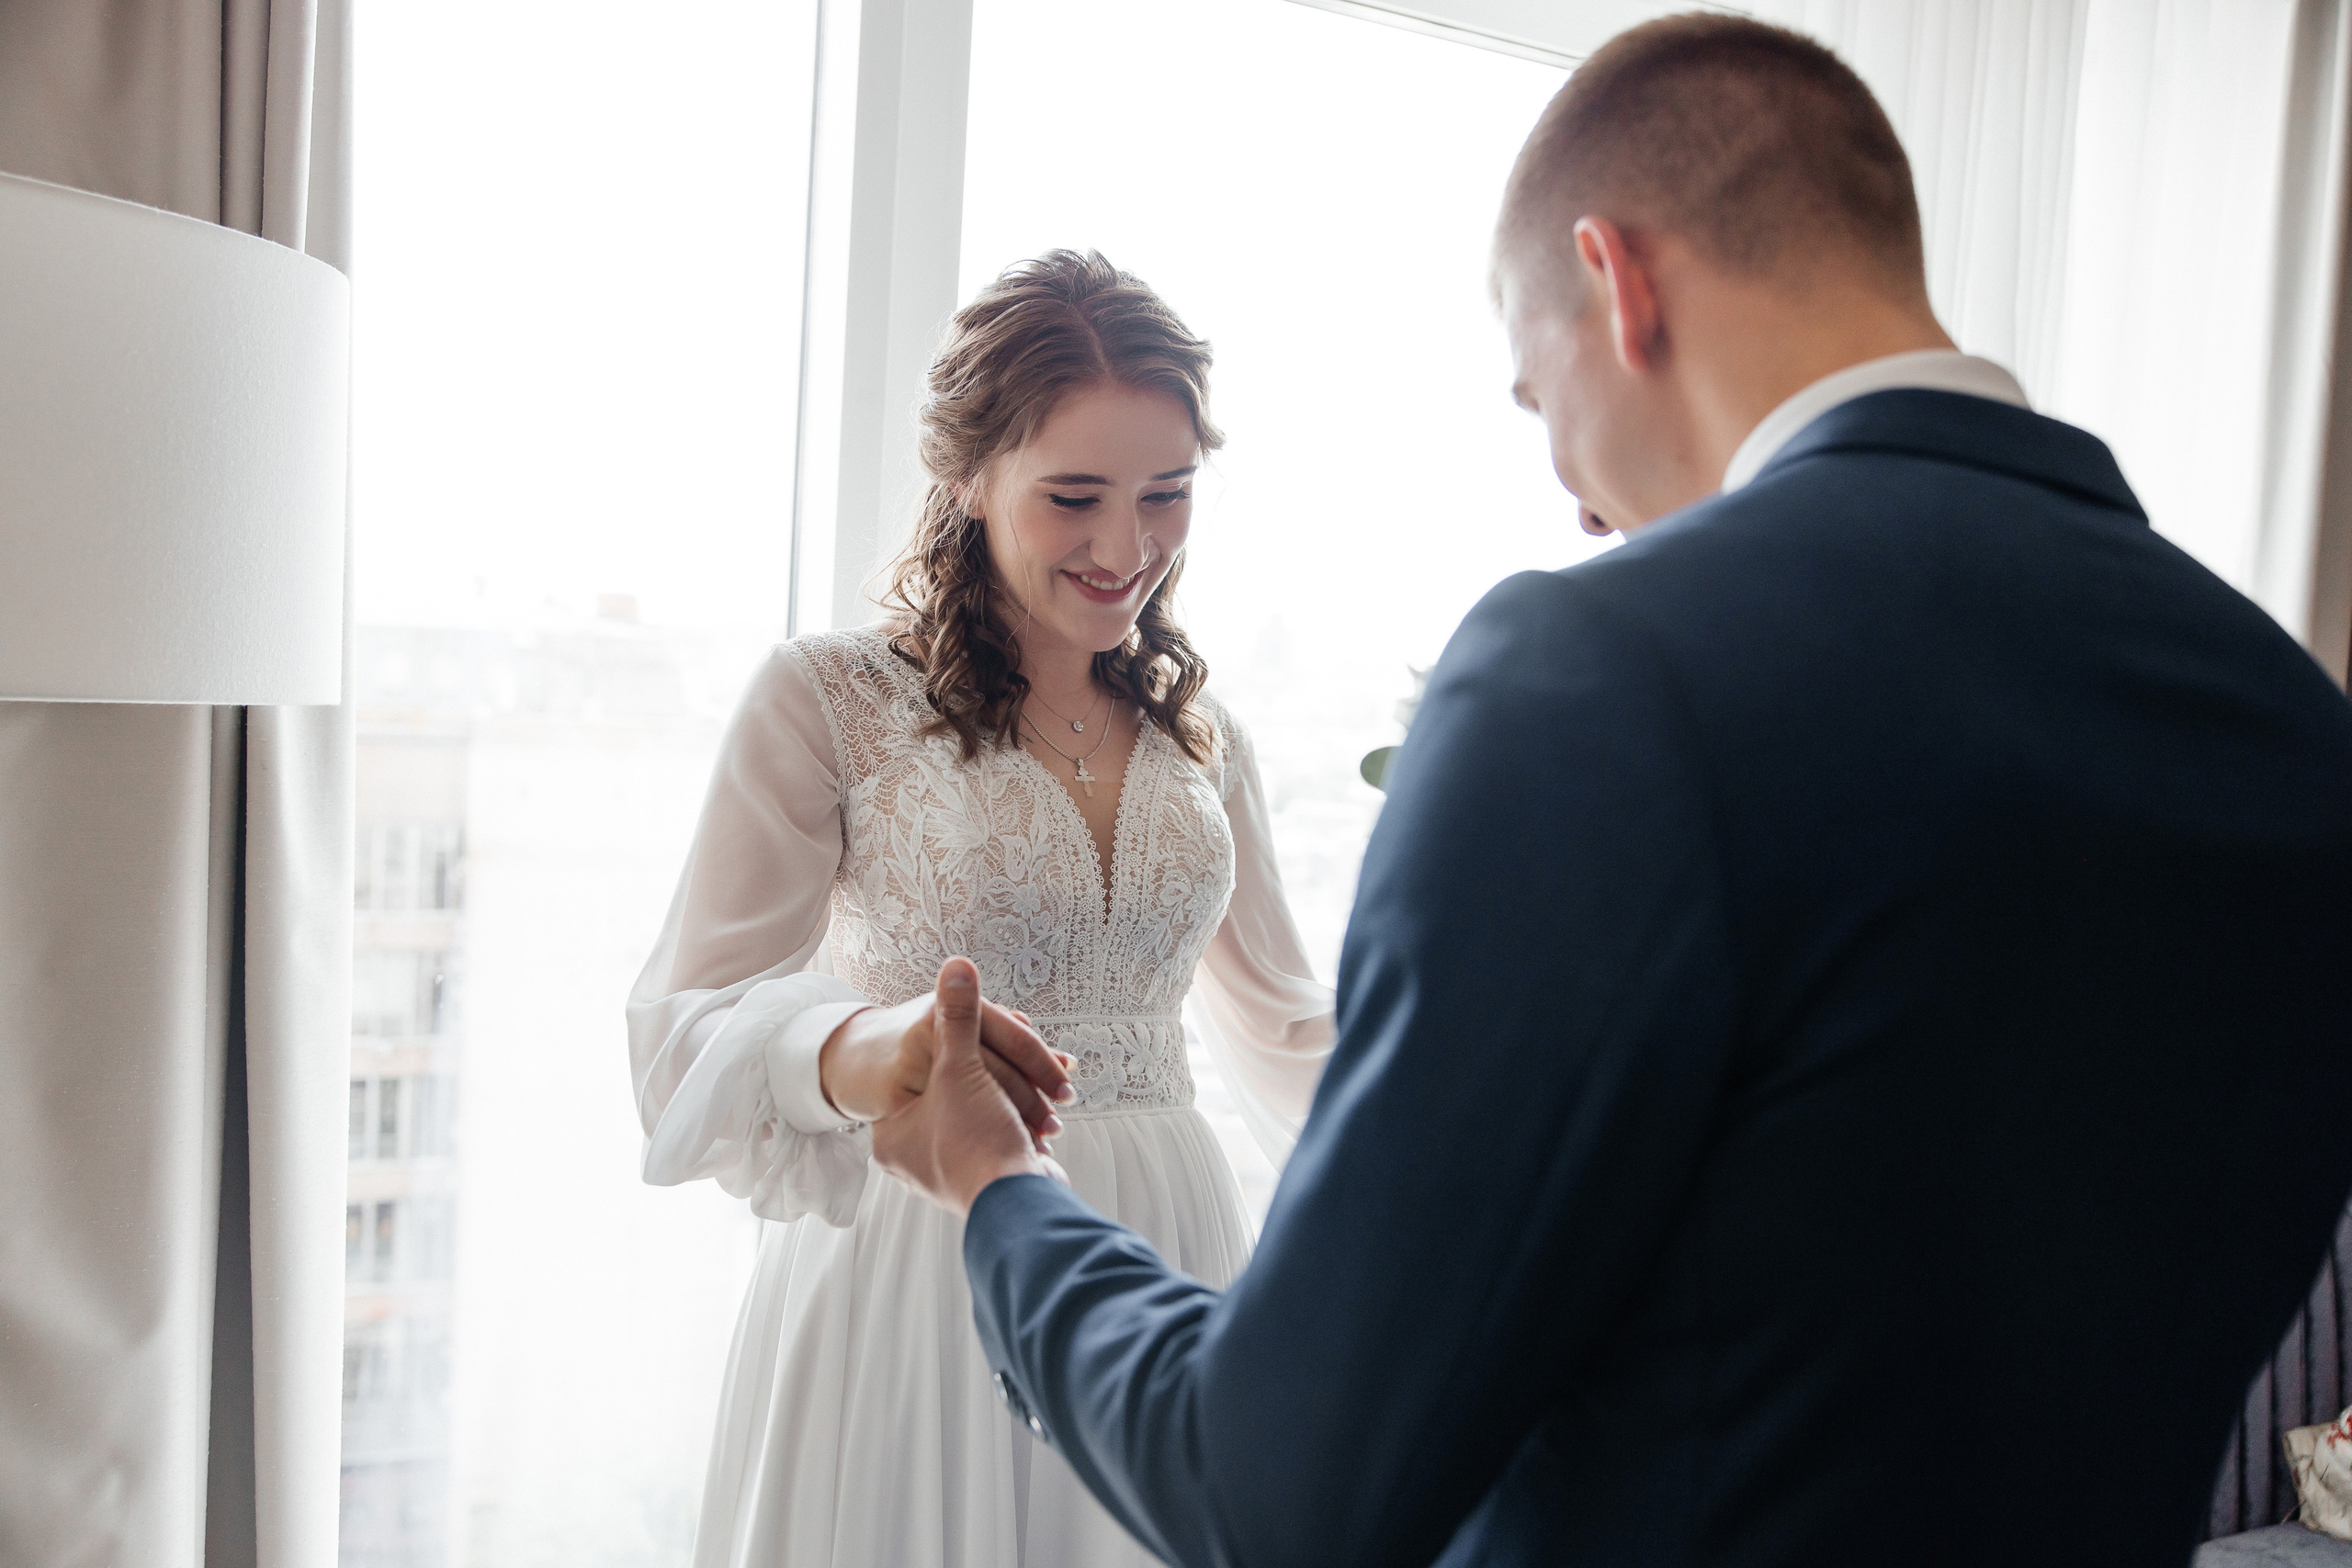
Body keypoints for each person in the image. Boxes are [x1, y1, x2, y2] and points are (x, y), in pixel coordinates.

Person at [871, 17, 2352, 1568]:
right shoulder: (2291, 730)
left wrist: (1000, 1188)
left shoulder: (1608, 674)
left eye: (1537, 396)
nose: (1577, 501)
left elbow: (1277, 1488)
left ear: (1616, 281)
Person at [626, 250, 1333, 1568]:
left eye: (1167, 494)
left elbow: (1293, 1033)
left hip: (1169, 1257)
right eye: (1074, 497)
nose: (1127, 548)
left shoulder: (1206, 737)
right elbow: (686, 1026)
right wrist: (868, 1049)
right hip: (924, 1251)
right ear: (968, 476)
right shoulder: (827, 699)